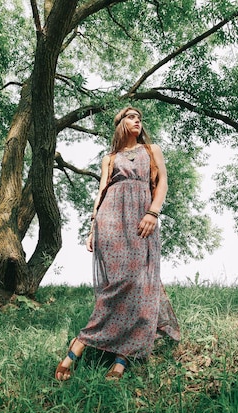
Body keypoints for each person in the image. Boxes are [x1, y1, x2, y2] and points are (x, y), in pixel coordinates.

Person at [55, 106, 181, 381]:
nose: (137, 121)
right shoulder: (109, 158)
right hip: (109, 218)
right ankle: (111, 354)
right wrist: (92, 228)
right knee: (115, 283)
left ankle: (87, 346)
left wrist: (153, 212)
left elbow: (162, 183)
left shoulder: (151, 150)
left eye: (140, 118)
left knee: (137, 282)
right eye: (131, 117)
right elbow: (101, 191)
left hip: (140, 216)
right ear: (120, 123)